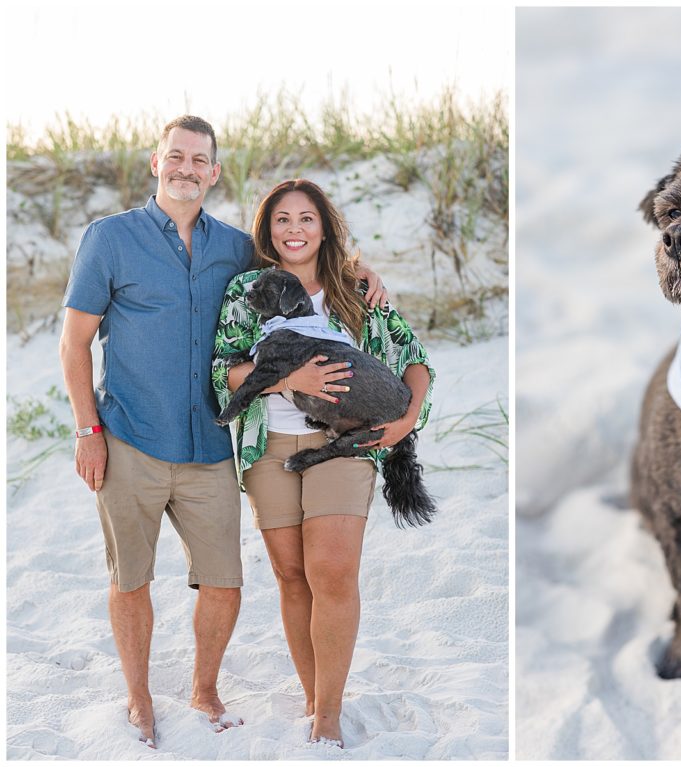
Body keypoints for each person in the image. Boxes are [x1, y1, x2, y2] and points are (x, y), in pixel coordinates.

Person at [58, 116, 386, 749]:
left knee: (225, 584)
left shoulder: (237, 249)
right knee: (131, 578)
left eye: (199, 159)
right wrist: (86, 429)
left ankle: (204, 689)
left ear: (214, 172)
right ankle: (138, 698)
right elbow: (74, 343)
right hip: (128, 434)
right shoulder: (109, 239)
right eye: (175, 156)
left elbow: (301, 253)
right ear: (156, 162)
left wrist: (360, 267)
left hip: (211, 442)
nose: (186, 168)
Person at [212, 178, 434, 747]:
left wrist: (406, 422)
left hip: (342, 446)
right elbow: (224, 371)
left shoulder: (355, 286)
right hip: (269, 447)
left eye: (306, 218)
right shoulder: (247, 288)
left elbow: (413, 360)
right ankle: (312, 697)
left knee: (331, 572)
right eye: (282, 220)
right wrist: (289, 380)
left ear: (324, 227)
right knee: (291, 577)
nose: (294, 230)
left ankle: (329, 717)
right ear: (268, 230)